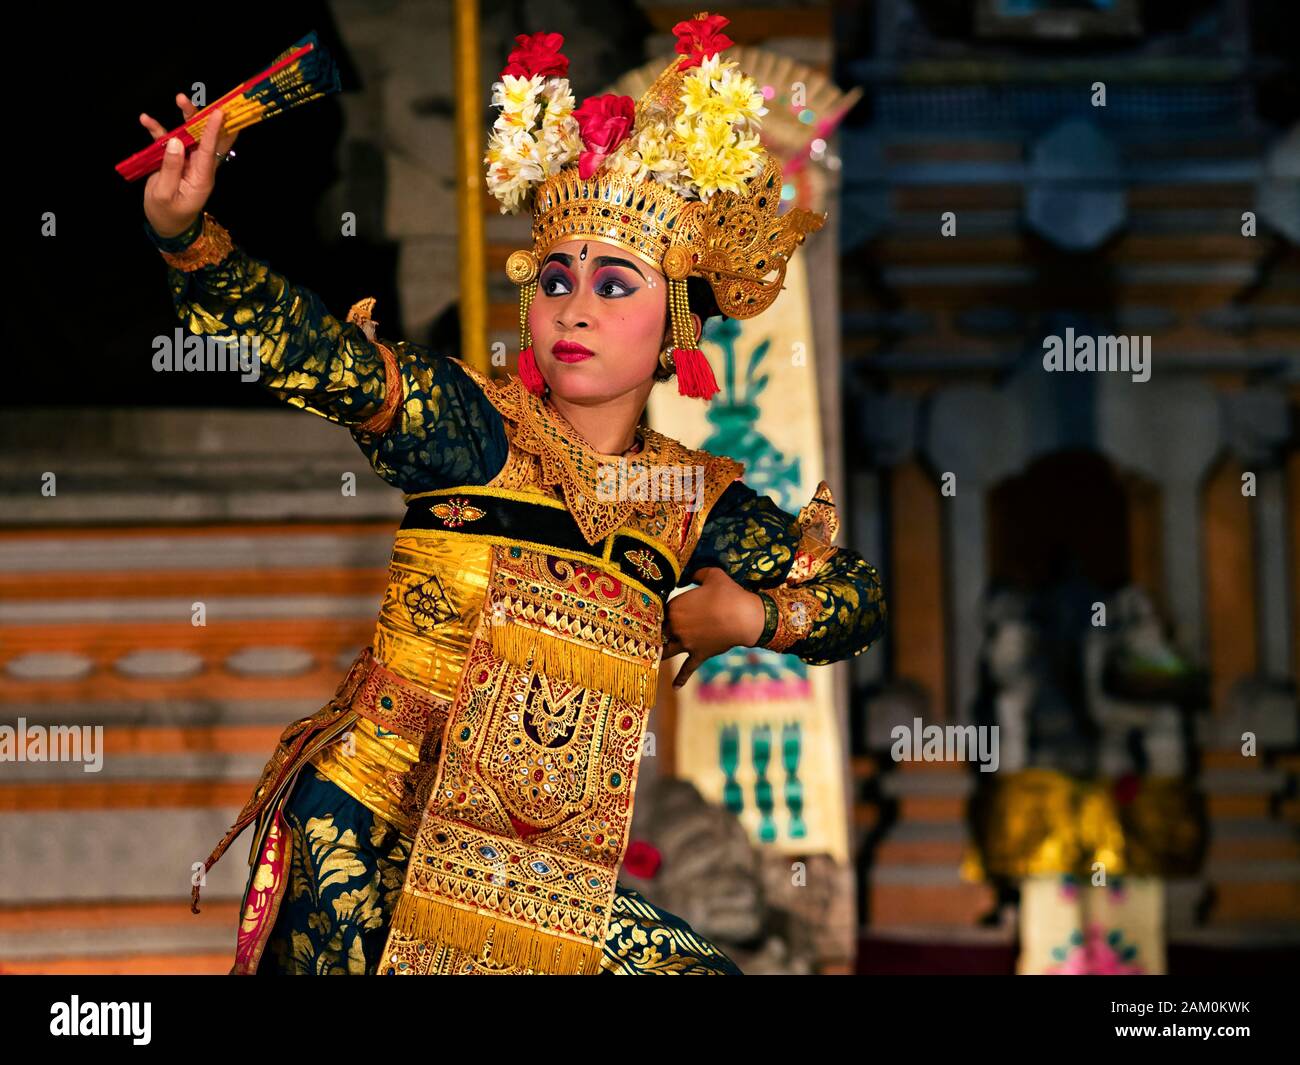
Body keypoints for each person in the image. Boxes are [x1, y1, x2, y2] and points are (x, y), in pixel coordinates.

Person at [140, 12, 887, 975]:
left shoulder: (690, 497)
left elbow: (854, 597)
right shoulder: (470, 428)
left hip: (533, 874)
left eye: (615, 285)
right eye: (555, 279)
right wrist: (186, 235)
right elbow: (314, 355)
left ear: (676, 327)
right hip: (373, 838)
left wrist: (752, 612)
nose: (574, 305)